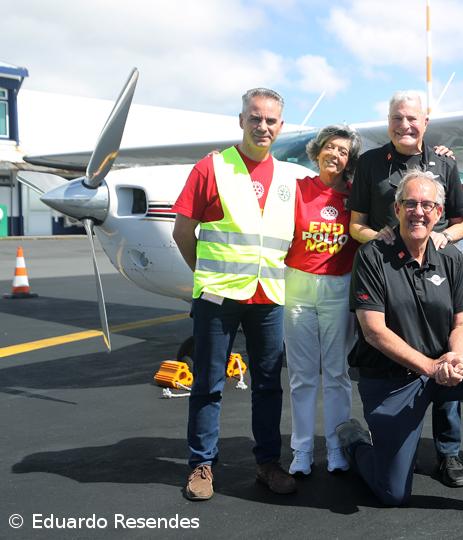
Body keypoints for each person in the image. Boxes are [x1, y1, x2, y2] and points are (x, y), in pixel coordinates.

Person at [337, 170, 463, 529]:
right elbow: (373, 332)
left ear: (439, 213)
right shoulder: (373, 256)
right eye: (411, 204)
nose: (419, 211)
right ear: (398, 208)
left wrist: (457, 358)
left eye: (428, 205)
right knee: (392, 493)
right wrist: (430, 368)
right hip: (392, 379)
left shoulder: (449, 258)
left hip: (440, 369)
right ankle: (356, 441)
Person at [172, 88, 314, 501]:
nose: (263, 126)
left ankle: (267, 463)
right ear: (241, 120)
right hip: (217, 298)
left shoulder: (291, 177)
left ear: (281, 126)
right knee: (208, 384)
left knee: (269, 384)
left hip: (267, 297)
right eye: (255, 118)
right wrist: (207, 277)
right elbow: (183, 233)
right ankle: (201, 464)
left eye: (271, 120)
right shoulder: (211, 168)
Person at [348, 91, 463, 487]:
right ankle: (398, 443)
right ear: (388, 121)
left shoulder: (444, 163)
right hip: (387, 272)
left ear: (426, 122)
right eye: (398, 118)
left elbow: (459, 223)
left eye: (413, 119)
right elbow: (356, 224)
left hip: (431, 264)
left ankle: (449, 453)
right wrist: (380, 238)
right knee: (394, 358)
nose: (406, 125)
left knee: (444, 354)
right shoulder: (369, 163)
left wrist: (444, 239)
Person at [283, 125, 361, 476]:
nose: (336, 155)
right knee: (302, 375)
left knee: (336, 373)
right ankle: (301, 449)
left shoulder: (355, 198)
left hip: (337, 288)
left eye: (344, 151)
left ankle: (335, 445)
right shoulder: (298, 190)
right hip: (298, 285)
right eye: (331, 147)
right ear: (317, 152)